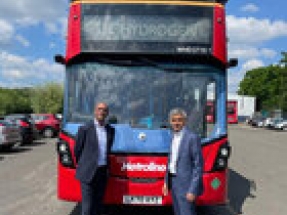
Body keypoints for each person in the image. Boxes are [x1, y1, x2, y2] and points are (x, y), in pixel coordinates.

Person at [74, 102, 115, 215]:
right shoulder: (85, 129)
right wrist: (85, 165)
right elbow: (77, 150)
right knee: (87, 207)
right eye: (99, 109)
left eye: (104, 110)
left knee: (99, 205)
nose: (102, 111)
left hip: (102, 172)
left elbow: (108, 149)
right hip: (87, 172)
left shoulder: (111, 130)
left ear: (107, 113)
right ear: (95, 111)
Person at [162, 108, 203, 215]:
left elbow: (198, 166)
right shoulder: (173, 137)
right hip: (174, 183)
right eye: (174, 120)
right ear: (170, 122)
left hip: (186, 185)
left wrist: (192, 190)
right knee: (178, 211)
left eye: (179, 120)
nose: (176, 123)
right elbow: (171, 161)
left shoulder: (192, 138)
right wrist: (166, 183)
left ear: (184, 121)